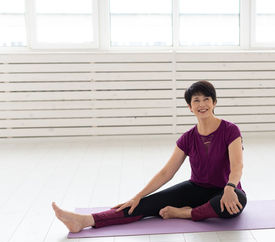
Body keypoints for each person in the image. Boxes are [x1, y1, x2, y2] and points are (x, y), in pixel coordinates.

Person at [52, 80, 247, 233]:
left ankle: (184, 213)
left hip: (225, 190)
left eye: (206, 99)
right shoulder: (187, 138)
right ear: (189, 107)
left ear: (214, 102)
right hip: (195, 189)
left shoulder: (230, 130)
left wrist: (230, 187)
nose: (202, 104)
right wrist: (138, 196)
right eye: (196, 100)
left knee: (236, 202)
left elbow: (237, 165)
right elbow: (166, 172)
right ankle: (86, 220)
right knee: (144, 205)